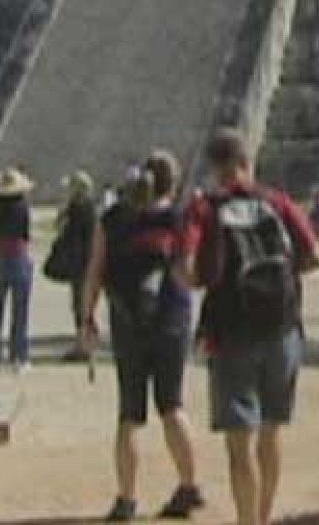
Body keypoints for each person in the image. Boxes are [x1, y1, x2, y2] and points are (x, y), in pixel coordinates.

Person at [179, 128, 319, 525]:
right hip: (282, 330)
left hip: (232, 333)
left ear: (214, 167)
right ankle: (263, 515)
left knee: (239, 444)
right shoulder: (277, 201)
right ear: (247, 161)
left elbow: (188, 271)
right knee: (271, 431)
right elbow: (315, 256)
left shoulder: (205, 208)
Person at [81, 153, 204, 521]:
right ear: (172, 183)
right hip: (171, 319)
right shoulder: (178, 219)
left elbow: (94, 272)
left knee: (130, 414)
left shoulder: (113, 219)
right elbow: (188, 270)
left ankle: (127, 499)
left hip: (128, 320)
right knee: (172, 405)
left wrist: (87, 317)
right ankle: (188, 486)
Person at [0, 167, 35, 372]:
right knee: (20, 310)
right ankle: (19, 356)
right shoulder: (22, 206)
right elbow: (25, 233)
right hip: (18, 255)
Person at [48, 170, 99, 363]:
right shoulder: (91, 208)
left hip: (79, 262)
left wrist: (63, 208)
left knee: (79, 304)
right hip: (88, 260)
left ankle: (82, 344)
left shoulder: (76, 208)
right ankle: (86, 341)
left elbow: (60, 227)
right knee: (85, 303)